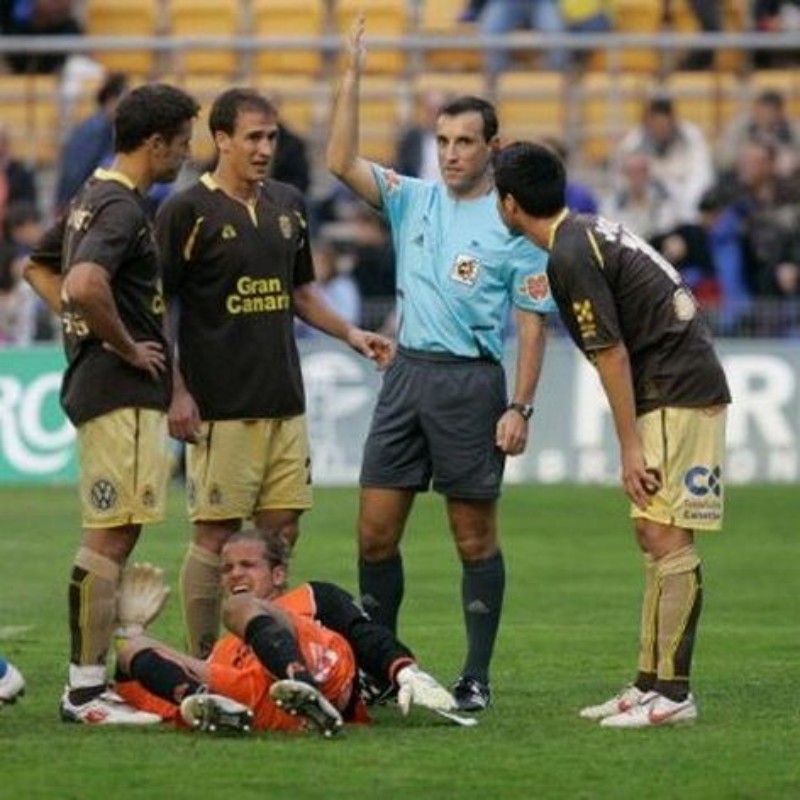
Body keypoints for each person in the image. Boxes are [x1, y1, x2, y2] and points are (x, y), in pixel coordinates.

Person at [327, 17, 554, 712]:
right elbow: (339, 161)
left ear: (493, 148)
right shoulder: (411, 198)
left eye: (464, 143)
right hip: (406, 377)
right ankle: (383, 666)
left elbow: (531, 323)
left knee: (472, 536)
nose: (452, 155)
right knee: (373, 531)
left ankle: (476, 674)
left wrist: (519, 407)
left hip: (471, 384)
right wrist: (353, 76)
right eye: (444, 142)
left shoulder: (513, 225)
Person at [494, 140, 731, 728]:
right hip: (676, 383)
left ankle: (674, 695)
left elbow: (611, 355)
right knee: (653, 535)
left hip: (676, 389)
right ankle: (648, 684)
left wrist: (628, 446)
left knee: (669, 537)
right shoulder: (587, 232)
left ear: (508, 206)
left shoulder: (569, 254)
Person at [155, 87, 393, 660]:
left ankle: (259, 655)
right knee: (215, 538)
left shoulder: (288, 203)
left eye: (272, 137)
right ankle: (206, 662)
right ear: (222, 141)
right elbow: (158, 307)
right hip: (220, 405)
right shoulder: (186, 211)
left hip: (284, 400)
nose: (265, 148)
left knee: (279, 538)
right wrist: (177, 391)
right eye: (253, 137)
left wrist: (351, 334)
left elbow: (300, 291)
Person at [22, 82, 200, 725]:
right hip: (118, 392)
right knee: (107, 539)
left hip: (111, 390)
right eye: (181, 144)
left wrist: (82, 326)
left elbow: (37, 270)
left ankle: (91, 683)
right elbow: (83, 282)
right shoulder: (122, 207)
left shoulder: (88, 198)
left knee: (117, 534)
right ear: (155, 144)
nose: (185, 155)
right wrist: (120, 345)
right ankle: (86, 691)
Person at [114, 530, 457, 735]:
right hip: (261, 704)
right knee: (130, 647)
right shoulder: (226, 646)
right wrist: (133, 630)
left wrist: (402, 668)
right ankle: (202, 702)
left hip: (322, 673)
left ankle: (305, 689)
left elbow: (362, 632)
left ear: (278, 575)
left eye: (247, 565)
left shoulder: (310, 597)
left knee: (238, 607)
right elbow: (135, 690)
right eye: (227, 569)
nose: (234, 575)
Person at [54, 72, 129, 215]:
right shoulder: (93, 131)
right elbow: (75, 172)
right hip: (82, 204)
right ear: (110, 100)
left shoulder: (108, 129)